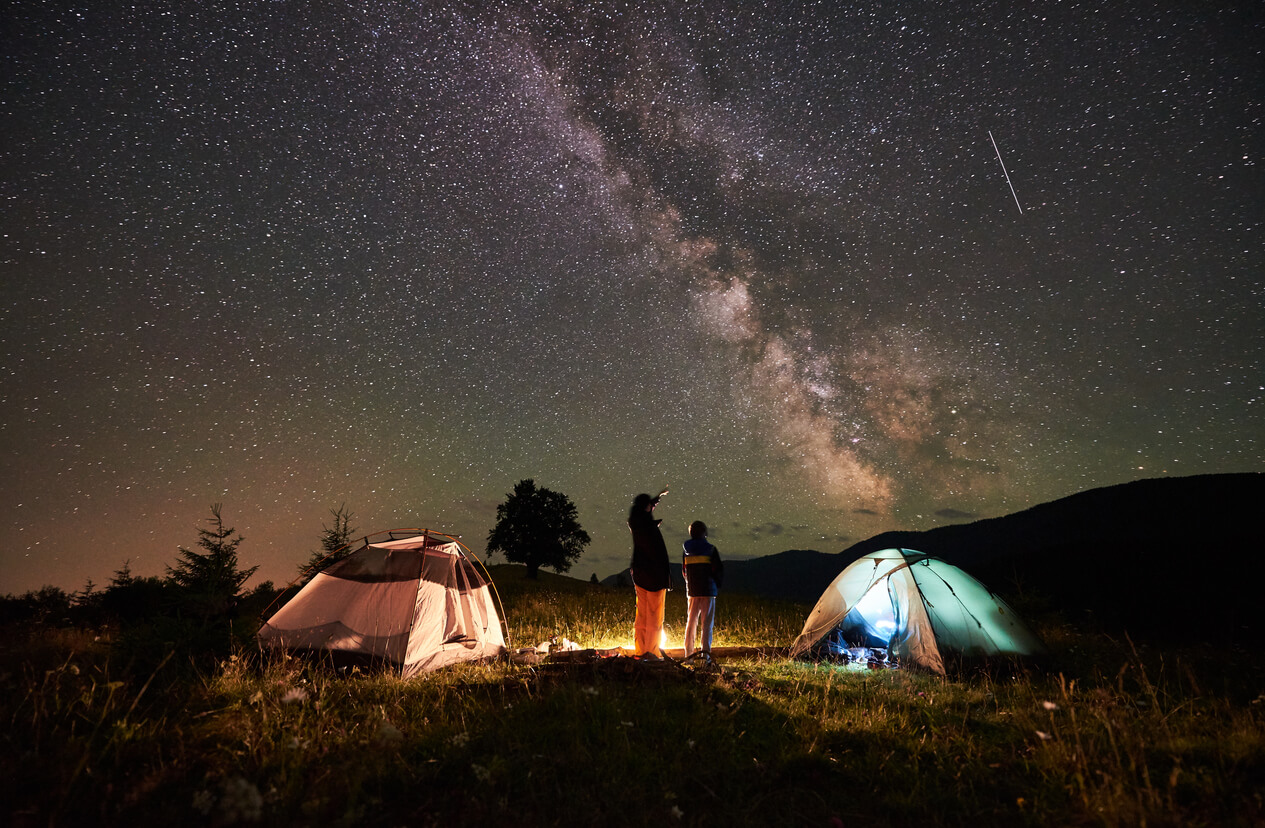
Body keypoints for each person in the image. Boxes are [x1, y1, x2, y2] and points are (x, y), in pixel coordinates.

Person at [628, 488, 670, 659]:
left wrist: (655, 500)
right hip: (654, 576)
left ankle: (640, 650)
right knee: (654, 617)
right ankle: (651, 653)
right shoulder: (647, 526)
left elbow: (644, 510)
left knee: (642, 615)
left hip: (639, 573)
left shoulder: (636, 522)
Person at [681, 520, 722, 661]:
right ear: (705, 533)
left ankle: (688, 656)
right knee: (707, 626)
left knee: (691, 623)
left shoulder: (686, 550)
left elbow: (684, 571)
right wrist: (717, 585)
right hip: (708, 591)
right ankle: (706, 658)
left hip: (692, 591)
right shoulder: (711, 549)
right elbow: (717, 571)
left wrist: (689, 583)